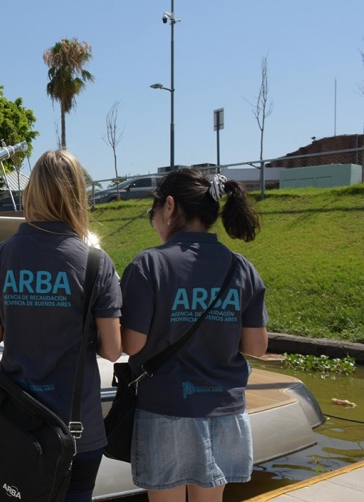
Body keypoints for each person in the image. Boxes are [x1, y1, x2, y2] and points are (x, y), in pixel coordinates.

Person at [0, 149, 123, 502]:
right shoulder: (95, 261)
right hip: (77, 426)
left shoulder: (2, 254)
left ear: (32, 192)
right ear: (77, 195)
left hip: (18, 423)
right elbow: (113, 349)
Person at [119, 169, 269, 502]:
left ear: (169, 207)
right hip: (225, 410)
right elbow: (257, 346)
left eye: (152, 213)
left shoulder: (149, 266)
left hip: (165, 407)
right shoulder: (241, 267)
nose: (154, 221)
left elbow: (131, 345)